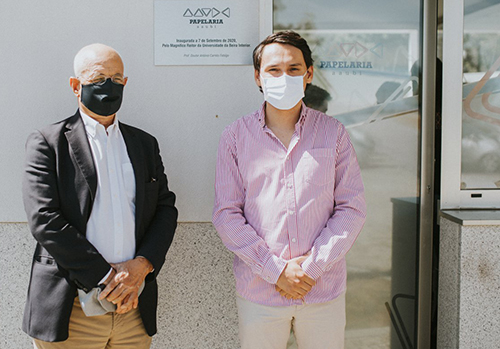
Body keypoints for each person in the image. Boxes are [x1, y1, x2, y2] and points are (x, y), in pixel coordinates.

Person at [212, 31, 366, 349]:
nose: (284, 77)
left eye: (294, 69)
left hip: (322, 290)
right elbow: (226, 214)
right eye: (274, 70)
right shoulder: (235, 137)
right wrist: (276, 270)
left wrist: (310, 268)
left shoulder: (333, 133)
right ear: (258, 76)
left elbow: (351, 207)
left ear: (308, 74)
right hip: (260, 293)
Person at [22, 43, 178, 349]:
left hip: (133, 307)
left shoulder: (144, 144)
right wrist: (108, 277)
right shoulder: (48, 144)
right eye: (98, 78)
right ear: (76, 86)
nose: (108, 86)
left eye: (116, 78)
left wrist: (142, 265)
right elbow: (45, 220)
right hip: (72, 309)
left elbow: (165, 208)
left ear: (125, 83)